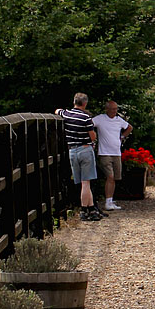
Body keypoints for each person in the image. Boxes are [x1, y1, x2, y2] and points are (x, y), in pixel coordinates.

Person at [56, 93, 103, 221]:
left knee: (81, 181)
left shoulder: (66, 114)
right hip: (85, 149)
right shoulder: (85, 118)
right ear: (85, 103)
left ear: (74, 102)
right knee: (86, 182)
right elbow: (92, 136)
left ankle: (91, 207)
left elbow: (57, 111)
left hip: (72, 150)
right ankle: (84, 209)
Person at [92, 99, 132, 212]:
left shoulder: (119, 120)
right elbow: (89, 124)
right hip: (104, 153)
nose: (114, 111)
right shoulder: (100, 118)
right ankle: (108, 202)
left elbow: (129, 127)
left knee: (114, 178)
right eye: (112, 109)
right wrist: (92, 138)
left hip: (116, 152)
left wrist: (122, 137)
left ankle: (110, 200)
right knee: (109, 176)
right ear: (107, 109)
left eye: (116, 109)